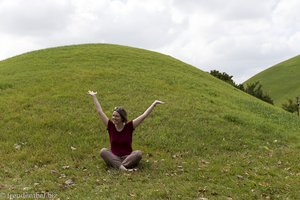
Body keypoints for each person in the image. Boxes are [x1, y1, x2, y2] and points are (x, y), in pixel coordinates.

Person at [88, 90, 165, 171]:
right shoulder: (110, 126)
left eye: (117, 116)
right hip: (114, 157)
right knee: (103, 151)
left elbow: (144, 115)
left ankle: (120, 167)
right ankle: (125, 169)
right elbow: (100, 112)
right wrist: (94, 96)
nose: (114, 118)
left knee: (138, 153)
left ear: (122, 118)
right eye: (113, 116)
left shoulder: (129, 126)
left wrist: (154, 104)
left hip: (128, 157)